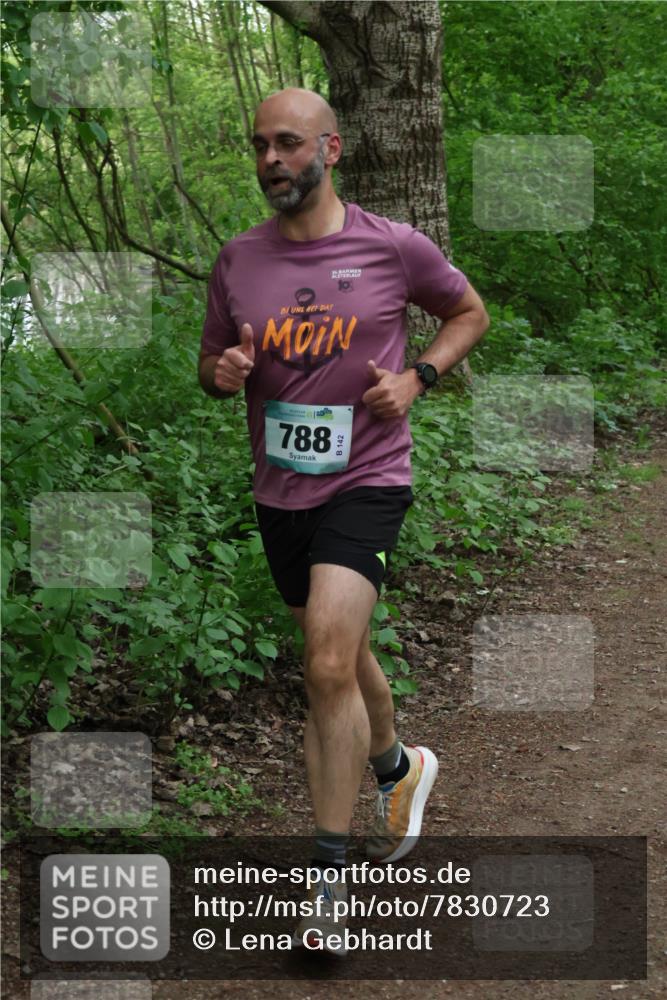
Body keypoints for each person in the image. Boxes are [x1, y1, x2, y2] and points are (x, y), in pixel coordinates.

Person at [199, 87, 489, 955]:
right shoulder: (237, 258)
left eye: (288, 143)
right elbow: (209, 364)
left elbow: (467, 312)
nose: (271, 160)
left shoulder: (391, 245)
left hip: (367, 478)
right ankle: (399, 766)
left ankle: (326, 888)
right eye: (260, 145)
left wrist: (418, 378)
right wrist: (222, 372)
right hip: (280, 490)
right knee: (341, 652)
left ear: (331, 149)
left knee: (325, 660)